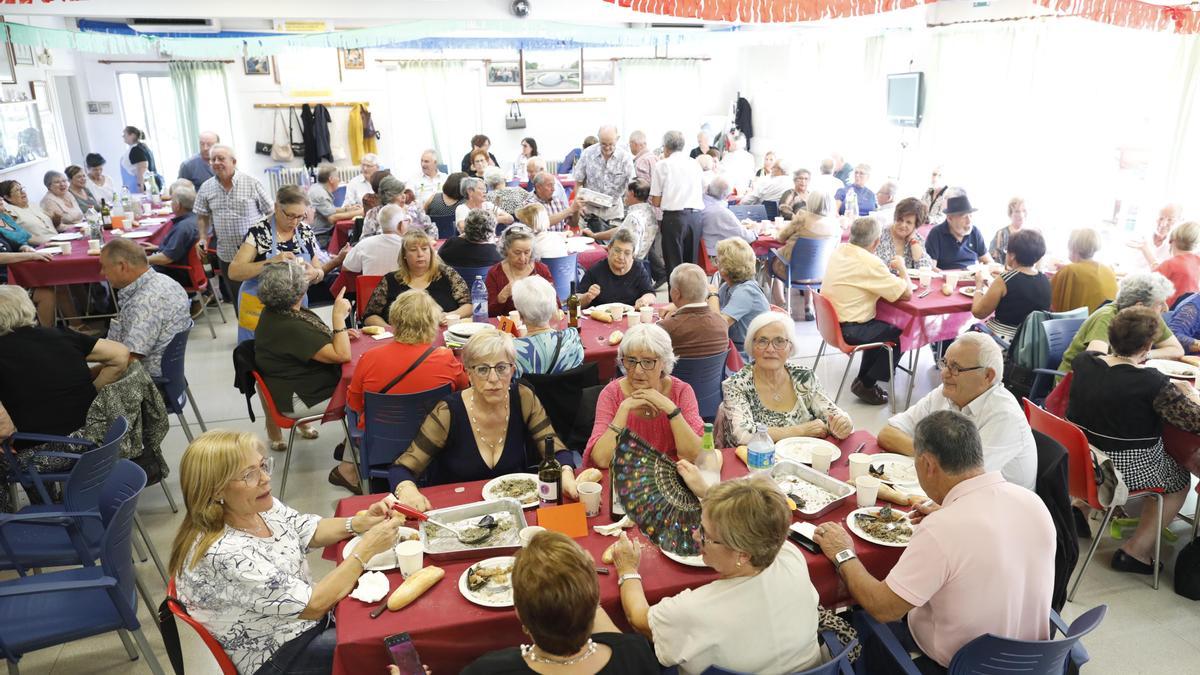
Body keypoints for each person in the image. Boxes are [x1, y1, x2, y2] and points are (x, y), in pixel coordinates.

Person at [814, 411, 1055, 674]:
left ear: (927, 464)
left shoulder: (942, 530)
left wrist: (843, 553)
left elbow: (883, 608)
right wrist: (949, 517)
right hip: (1033, 662)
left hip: (952, 666)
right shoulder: (1033, 503)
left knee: (858, 617)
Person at [170, 430, 405, 675]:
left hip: (302, 624)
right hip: (279, 654)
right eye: (249, 475)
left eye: (262, 466)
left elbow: (305, 529)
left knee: (390, 621)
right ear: (216, 490)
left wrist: (360, 523)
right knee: (389, 642)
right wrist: (365, 550)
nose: (264, 479)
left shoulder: (256, 507)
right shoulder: (225, 553)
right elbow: (314, 605)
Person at [613, 475, 823, 675]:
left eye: (706, 534)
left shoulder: (693, 611)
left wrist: (627, 569)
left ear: (742, 553)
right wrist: (717, 498)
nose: (695, 535)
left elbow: (638, 619)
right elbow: (763, 519)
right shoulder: (790, 556)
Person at [1068, 306, 1200, 574]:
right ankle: (1136, 551)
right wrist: (1188, 394)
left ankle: (1079, 507)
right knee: (1178, 480)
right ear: (1148, 345)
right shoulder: (1152, 382)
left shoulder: (1084, 362)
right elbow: (1193, 420)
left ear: (1111, 336)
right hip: (1119, 470)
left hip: (1081, 462)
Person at [390, 328, 573, 506]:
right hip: (459, 513)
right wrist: (407, 490)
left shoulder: (524, 398)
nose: (493, 378)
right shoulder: (448, 412)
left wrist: (566, 473)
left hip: (513, 508)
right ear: (468, 373)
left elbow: (557, 451)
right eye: (483, 369)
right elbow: (402, 469)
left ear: (512, 370)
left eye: (501, 368)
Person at [463, 531, 660, 674]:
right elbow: (616, 640)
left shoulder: (487, 670)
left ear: (519, 614)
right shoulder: (635, 653)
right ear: (593, 603)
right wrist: (583, 583)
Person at [879, 332, 1037, 490]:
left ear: (987, 376)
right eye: (945, 363)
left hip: (999, 506)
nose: (944, 373)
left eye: (956, 368)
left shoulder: (1005, 416)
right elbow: (888, 434)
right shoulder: (946, 393)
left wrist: (928, 460)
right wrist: (930, 459)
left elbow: (966, 481)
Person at [344, 289, 469, 490]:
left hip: (381, 446)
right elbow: (463, 395)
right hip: (436, 443)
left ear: (393, 322)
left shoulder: (369, 359)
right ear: (433, 323)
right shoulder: (445, 358)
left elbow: (354, 404)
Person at [0, 285, 129, 444]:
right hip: (95, 442)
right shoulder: (60, 334)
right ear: (28, 307)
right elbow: (121, 355)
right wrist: (90, 392)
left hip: (42, 453)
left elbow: (4, 431)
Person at [254, 260, 354, 452]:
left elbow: (308, 342)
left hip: (291, 385)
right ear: (300, 290)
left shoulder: (274, 313)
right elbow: (342, 355)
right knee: (367, 394)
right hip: (300, 398)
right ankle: (353, 458)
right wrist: (338, 318)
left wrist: (336, 336)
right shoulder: (290, 326)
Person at [723, 311, 853, 446]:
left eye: (779, 341)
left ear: (790, 347)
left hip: (804, 458)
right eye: (762, 341)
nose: (770, 349)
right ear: (752, 346)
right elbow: (742, 435)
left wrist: (843, 423)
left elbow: (832, 415)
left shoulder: (804, 377)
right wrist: (801, 430)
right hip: (756, 462)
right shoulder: (736, 385)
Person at [821, 217, 912, 405]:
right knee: (898, 335)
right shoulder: (870, 262)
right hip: (850, 330)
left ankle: (864, 380)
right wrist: (902, 269)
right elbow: (906, 294)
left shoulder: (839, 250)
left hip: (830, 324)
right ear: (877, 241)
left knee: (878, 326)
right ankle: (867, 383)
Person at [585, 323, 703, 468]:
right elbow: (601, 459)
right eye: (631, 361)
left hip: (672, 477)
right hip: (626, 479)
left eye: (648, 362)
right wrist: (624, 408)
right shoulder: (611, 394)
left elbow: (696, 456)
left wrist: (672, 410)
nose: (638, 370)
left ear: (663, 363)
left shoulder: (682, 392)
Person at [228, 186, 340, 315]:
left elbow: (318, 270)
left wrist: (314, 274)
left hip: (296, 306)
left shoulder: (305, 232)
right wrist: (270, 263)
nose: (295, 222)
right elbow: (234, 271)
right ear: (276, 207)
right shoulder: (259, 232)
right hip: (260, 307)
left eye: (300, 216)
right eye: (290, 216)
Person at [98, 238, 190, 378]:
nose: (102, 273)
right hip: (169, 374)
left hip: (146, 382)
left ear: (122, 266)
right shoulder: (165, 281)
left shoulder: (145, 302)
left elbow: (127, 362)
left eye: (104, 266)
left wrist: (87, 379)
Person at [1058, 272, 1183, 375]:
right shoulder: (1107, 317)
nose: (1166, 308)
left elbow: (1176, 350)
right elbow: (1095, 363)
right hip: (1075, 386)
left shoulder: (1149, 318)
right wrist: (1132, 360)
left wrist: (1143, 355)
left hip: (1114, 378)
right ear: (1139, 306)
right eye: (1160, 303)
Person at [194, 145, 273, 301]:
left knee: (264, 299)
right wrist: (202, 237)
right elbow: (202, 216)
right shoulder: (206, 187)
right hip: (227, 254)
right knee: (240, 302)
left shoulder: (252, 183)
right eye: (213, 159)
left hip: (256, 253)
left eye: (221, 158)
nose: (216, 162)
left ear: (234, 161)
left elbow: (271, 211)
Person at [363, 230, 471, 328]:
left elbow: (469, 305)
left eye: (424, 249)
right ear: (404, 255)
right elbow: (370, 316)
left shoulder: (447, 274)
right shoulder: (390, 280)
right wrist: (389, 329)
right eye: (413, 250)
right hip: (400, 340)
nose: (420, 254)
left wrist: (452, 315)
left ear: (431, 252)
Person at [769, 192, 842, 319]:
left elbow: (781, 238)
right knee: (811, 262)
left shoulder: (802, 218)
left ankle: (782, 305)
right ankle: (809, 306)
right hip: (821, 275)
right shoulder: (836, 225)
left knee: (772, 261)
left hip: (793, 273)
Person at [971, 229, 1051, 341]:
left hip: (1003, 343)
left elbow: (978, 312)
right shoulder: (1045, 280)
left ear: (1012, 255)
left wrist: (978, 285)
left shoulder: (1005, 280)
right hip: (1032, 342)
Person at [651, 130, 704, 283]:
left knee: (674, 267)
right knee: (692, 267)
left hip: (674, 218)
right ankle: (693, 303)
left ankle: (675, 305)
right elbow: (704, 188)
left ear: (666, 147)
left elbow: (655, 201)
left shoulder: (662, 165)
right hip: (695, 217)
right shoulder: (694, 163)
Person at [512, 276, 584, 377]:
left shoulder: (512, 350)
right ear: (552, 309)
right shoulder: (572, 337)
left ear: (520, 315)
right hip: (569, 392)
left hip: (531, 393)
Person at [658, 264, 729, 359]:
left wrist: (668, 321)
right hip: (713, 374)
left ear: (676, 293)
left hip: (676, 374)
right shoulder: (722, 323)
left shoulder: (665, 328)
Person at [584, 180, 657, 269]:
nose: (624, 195)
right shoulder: (649, 212)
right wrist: (594, 236)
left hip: (628, 265)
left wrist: (605, 248)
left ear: (631, 193)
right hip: (640, 261)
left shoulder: (634, 217)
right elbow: (621, 230)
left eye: (626, 191)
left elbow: (630, 247)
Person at [573, 125, 636, 227]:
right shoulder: (587, 154)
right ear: (598, 139)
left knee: (613, 242)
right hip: (589, 210)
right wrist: (579, 206)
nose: (607, 148)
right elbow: (578, 182)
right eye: (603, 144)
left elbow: (632, 185)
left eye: (611, 144)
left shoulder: (625, 158)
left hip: (614, 211)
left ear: (617, 139)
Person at [716, 237, 770, 354]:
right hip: (735, 347)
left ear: (725, 267)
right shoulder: (727, 287)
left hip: (748, 355)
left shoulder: (746, 292)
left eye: (718, 260)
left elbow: (718, 326)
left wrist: (712, 295)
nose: (716, 263)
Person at [577, 229, 656, 309]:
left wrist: (644, 300)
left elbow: (650, 293)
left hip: (630, 318)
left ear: (632, 255)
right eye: (617, 251)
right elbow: (576, 301)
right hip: (602, 318)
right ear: (609, 249)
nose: (621, 257)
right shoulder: (596, 270)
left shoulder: (638, 269)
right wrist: (588, 297)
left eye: (627, 253)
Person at [486, 226, 554, 317]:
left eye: (527, 252)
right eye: (517, 253)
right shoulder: (495, 273)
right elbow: (489, 314)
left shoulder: (541, 270)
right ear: (506, 250)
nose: (522, 258)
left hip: (536, 325)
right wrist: (502, 296)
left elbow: (555, 306)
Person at [1051, 227, 1118, 313]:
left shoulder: (1070, 271)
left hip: (1076, 325)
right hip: (1101, 323)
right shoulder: (1108, 270)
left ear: (1073, 247)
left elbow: (1051, 302)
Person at [147, 183, 201, 286]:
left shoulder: (183, 227)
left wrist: (140, 259)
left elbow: (166, 258)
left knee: (129, 273)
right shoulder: (197, 219)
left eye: (172, 202)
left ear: (177, 205)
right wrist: (158, 248)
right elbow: (182, 247)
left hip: (178, 274)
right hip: (196, 271)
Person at [924, 194, 992, 270]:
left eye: (970, 216)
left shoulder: (974, 231)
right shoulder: (936, 233)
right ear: (950, 218)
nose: (969, 221)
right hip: (948, 279)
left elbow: (988, 261)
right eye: (964, 217)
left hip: (972, 278)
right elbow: (931, 267)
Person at [307, 163, 363, 248]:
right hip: (321, 237)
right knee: (353, 243)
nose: (339, 180)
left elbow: (330, 209)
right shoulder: (320, 194)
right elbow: (332, 218)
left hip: (323, 233)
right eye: (338, 177)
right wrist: (360, 212)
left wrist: (348, 209)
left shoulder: (317, 188)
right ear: (331, 179)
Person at [700, 177, 758, 258]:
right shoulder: (720, 211)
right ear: (726, 195)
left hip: (704, 252)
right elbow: (746, 237)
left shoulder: (701, 202)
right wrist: (755, 230)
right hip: (717, 256)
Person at [343, 203, 405, 277]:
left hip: (370, 288)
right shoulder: (408, 246)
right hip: (402, 288)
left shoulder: (364, 244)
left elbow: (346, 267)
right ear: (400, 225)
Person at [874, 197, 933, 269]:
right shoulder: (879, 235)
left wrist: (913, 241)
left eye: (908, 222)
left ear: (915, 225)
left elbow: (926, 267)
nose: (903, 225)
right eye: (900, 219)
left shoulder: (918, 239)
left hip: (906, 280)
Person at [440, 208, 505, 271]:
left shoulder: (450, 245)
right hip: (485, 282)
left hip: (454, 281)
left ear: (466, 226)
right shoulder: (498, 254)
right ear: (491, 230)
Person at [1154, 220, 1200, 307]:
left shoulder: (1170, 264)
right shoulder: (1197, 261)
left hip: (1168, 313)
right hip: (1190, 313)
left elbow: (1147, 286)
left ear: (1171, 241)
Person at [1131, 203, 1183, 268]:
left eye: (1170, 220)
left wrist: (1146, 251)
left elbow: (1166, 274)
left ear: (1179, 221)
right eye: (1161, 218)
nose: (1163, 224)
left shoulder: (1179, 247)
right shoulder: (1140, 236)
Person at [988, 197, 1027, 262]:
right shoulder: (1001, 234)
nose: (1021, 215)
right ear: (1010, 214)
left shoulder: (1030, 236)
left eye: (1024, 211)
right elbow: (991, 259)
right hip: (1004, 271)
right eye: (1017, 211)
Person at [122, 125, 158, 192]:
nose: (123, 136)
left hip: (146, 185)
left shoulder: (136, 149)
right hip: (145, 182)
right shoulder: (139, 147)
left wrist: (140, 187)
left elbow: (142, 169)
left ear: (132, 135)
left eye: (125, 134)